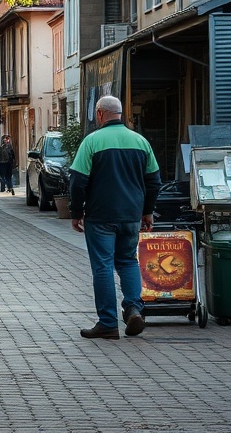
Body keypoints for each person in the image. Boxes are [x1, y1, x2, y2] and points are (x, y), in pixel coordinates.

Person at [68, 95, 161, 340]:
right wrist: (147, 211)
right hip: (131, 216)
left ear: (100, 114)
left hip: (100, 217)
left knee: (103, 267)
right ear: (120, 113)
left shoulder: (92, 142)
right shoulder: (140, 142)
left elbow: (77, 181)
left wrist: (76, 212)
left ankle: (108, 323)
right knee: (129, 262)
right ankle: (132, 309)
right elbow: (154, 181)